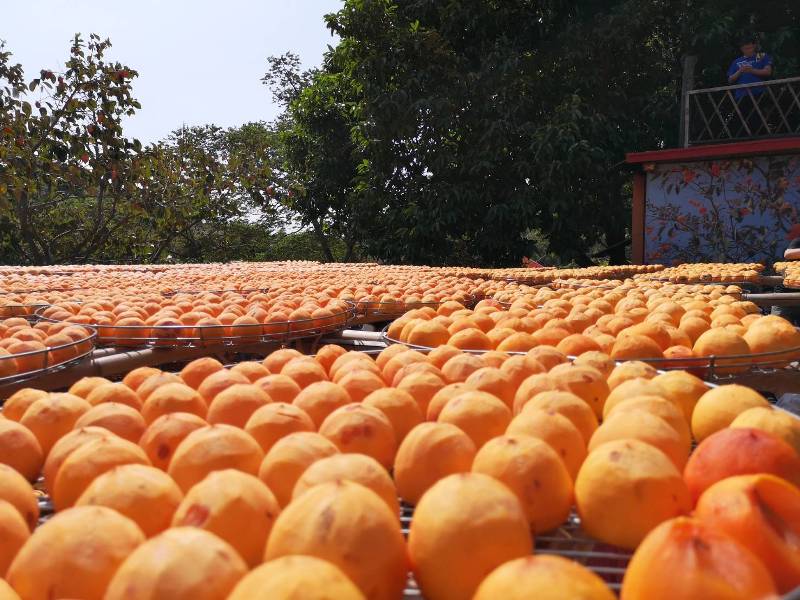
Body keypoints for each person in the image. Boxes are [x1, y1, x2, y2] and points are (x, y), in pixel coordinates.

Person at [727, 35, 773, 135]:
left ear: (754, 46)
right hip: (742, 94)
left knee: (759, 118)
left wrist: (752, 70)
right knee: (743, 119)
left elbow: (767, 72)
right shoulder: (737, 61)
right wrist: (740, 71)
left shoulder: (760, 56)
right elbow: (730, 79)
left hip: (758, 92)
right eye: (746, 48)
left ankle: (763, 136)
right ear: (741, 49)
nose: (748, 50)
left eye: (750, 47)